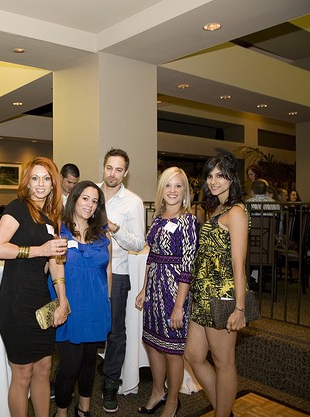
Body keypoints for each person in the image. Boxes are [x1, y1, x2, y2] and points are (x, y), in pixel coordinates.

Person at [0, 156, 68, 417]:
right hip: (16, 301)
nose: (40, 184)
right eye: (35, 178)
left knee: (44, 369)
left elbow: (56, 261)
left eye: (46, 179)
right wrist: (39, 250)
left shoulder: (53, 218)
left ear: (54, 183)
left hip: (41, 299)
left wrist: (62, 299)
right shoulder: (18, 208)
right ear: (27, 182)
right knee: (22, 374)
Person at [184, 150, 250, 417]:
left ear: (232, 178)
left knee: (224, 362)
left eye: (220, 175)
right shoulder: (217, 209)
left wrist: (240, 308)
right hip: (203, 293)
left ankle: (222, 413)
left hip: (223, 295)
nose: (213, 181)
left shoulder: (237, 212)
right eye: (210, 176)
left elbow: (238, 263)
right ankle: (224, 410)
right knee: (194, 355)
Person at [135, 167, 199, 417]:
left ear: (185, 192)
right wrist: (144, 289)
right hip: (153, 291)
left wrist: (179, 306)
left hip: (174, 293)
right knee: (152, 343)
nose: (172, 190)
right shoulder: (159, 218)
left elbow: (188, 267)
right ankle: (157, 392)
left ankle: (172, 401)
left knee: (173, 350)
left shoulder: (188, 221)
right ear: (162, 189)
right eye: (168, 185)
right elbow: (151, 255)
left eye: (178, 186)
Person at [53, 181, 111, 417]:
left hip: (96, 307)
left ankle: (83, 409)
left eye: (95, 201)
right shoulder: (59, 230)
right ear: (74, 199)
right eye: (85, 198)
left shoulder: (102, 234)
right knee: (70, 366)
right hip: (70, 308)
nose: (89, 205)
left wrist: (108, 301)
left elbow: (108, 270)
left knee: (89, 363)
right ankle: (61, 412)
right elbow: (51, 267)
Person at [98, 148, 146, 413]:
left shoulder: (133, 202)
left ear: (125, 172)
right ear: (103, 167)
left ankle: (110, 383)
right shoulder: (90, 193)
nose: (112, 174)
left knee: (115, 331)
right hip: (87, 270)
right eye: (109, 168)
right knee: (82, 325)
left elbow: (138, 243)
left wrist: (115, 229)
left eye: (118, 169)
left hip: (117, 272)